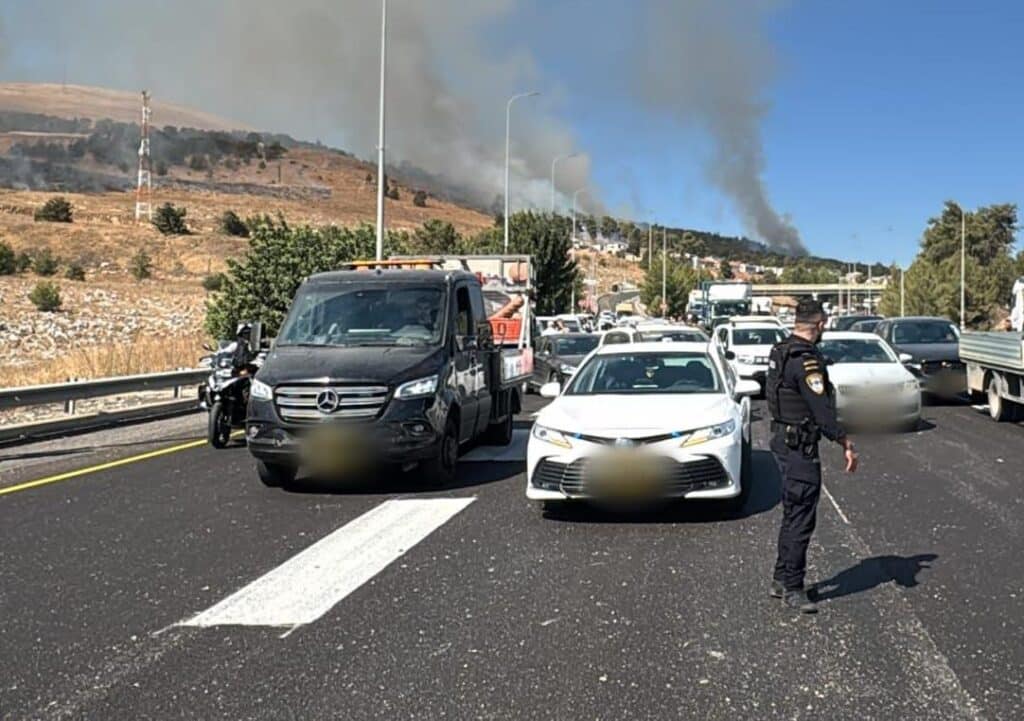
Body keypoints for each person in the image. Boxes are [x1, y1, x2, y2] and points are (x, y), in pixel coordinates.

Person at [766, 298, 858, 614]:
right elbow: (822, 410)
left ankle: (781, 578)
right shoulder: (806, 361)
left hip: (782, 439)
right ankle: (793, 587)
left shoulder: (781, 351)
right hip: (798, 447)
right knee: (801, 514)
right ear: (820, 324)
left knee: (793, 511)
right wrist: (844, 440)